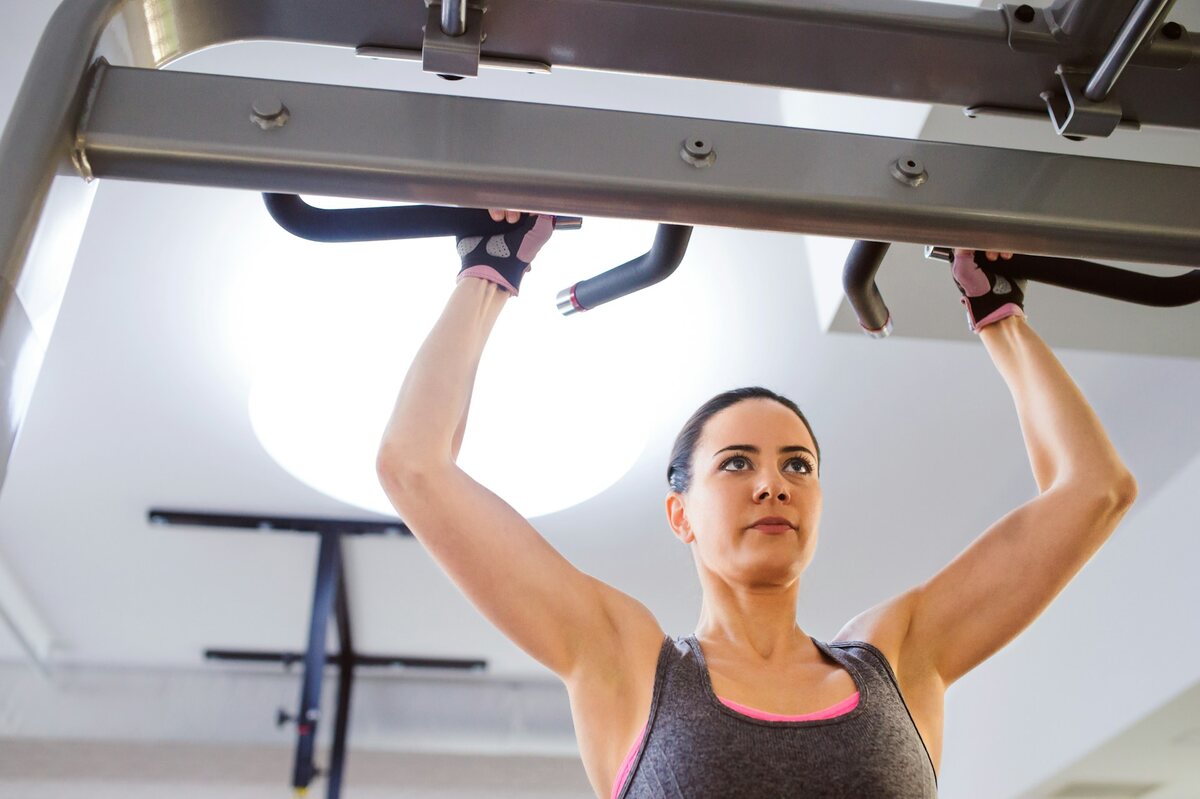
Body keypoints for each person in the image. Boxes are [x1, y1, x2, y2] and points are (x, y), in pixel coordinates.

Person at [375, 210, 1137, 798]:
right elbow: (414, 465)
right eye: (736, 463)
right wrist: (488, 271)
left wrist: (999, 314)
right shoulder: (625, 659)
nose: (772, 483)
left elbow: (1096, 489)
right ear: (681, 515)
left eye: (796, 465)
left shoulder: (901, 654)